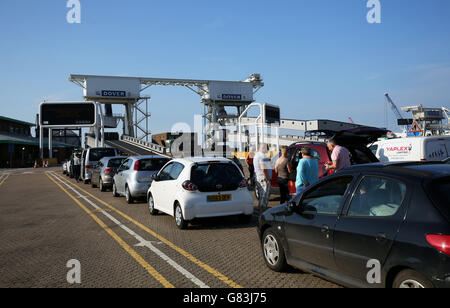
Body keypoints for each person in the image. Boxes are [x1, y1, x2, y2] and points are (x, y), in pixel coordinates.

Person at [253, 144, 273, 211]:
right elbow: (263, 169)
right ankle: (262, 212)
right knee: (265, 196)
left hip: (258, 177)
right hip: (263, 179)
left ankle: (260, 211)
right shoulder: (262, 156)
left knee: (261, 196)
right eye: (267, 149)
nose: (267, 150)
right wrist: (267, 179)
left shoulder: (256, 155)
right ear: (264, 148)